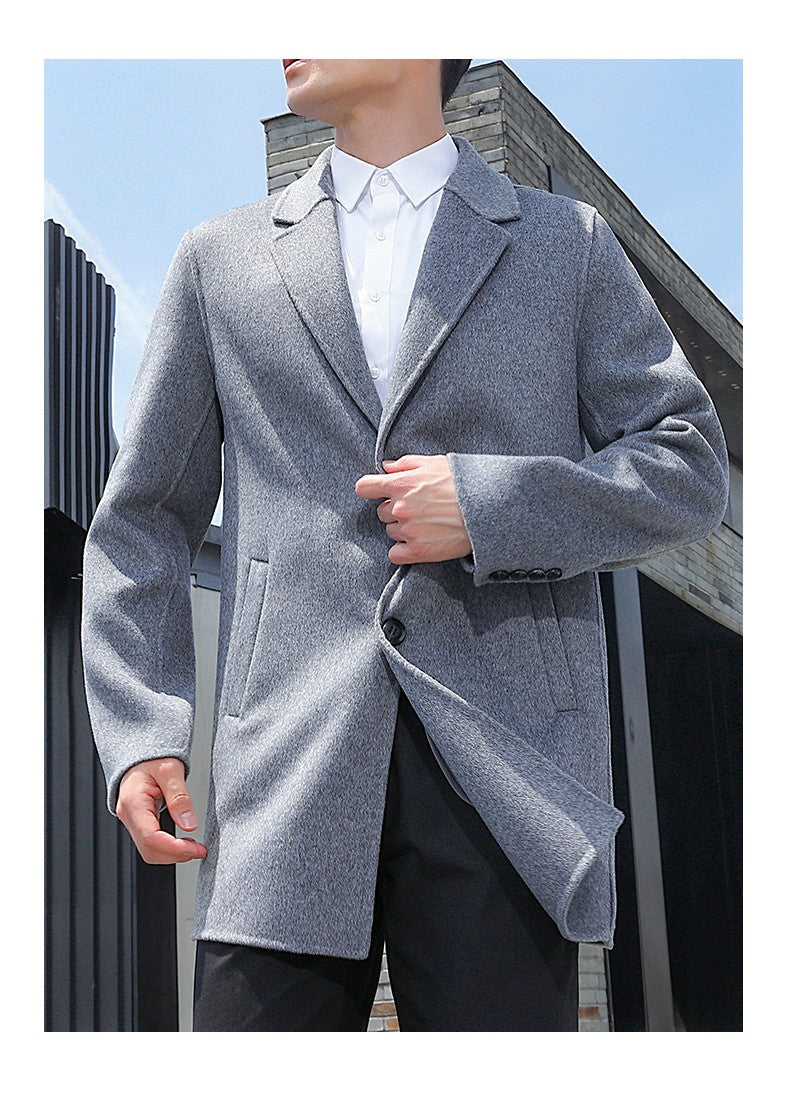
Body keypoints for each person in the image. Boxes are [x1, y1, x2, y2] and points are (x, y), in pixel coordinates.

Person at [80, 59, 730, 1032]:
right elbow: (143, 517)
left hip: (509, 766)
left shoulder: (566, 244)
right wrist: (140, 730)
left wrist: (488, 505)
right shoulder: (218, 258)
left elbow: (687, 469)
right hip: (284, 768)